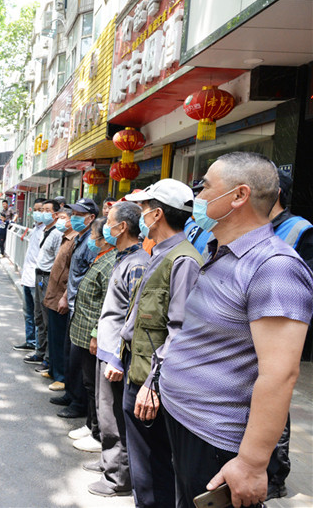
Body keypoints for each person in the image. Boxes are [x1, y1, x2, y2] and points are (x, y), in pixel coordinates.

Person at [160, 153, 313, 508]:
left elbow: (279, 375)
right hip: (185, 420)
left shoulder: (274, 267)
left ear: (239, 196)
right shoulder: (222, 252)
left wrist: (251, 462)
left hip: (215, 440)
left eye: (206, 187)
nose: (196, 197)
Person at [118, 178, 203, 508]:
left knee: (154, 471)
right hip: (137, 372)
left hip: (152, 382)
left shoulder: (183, 261)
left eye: (142, 209)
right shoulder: (160, 253)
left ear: (155, 215)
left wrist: (153, 382)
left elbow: (179, 331)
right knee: (144, 470)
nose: (140, 216)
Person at [86, 201, 148, 497]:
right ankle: (107, 463)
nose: (105, 226)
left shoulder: (137, 263)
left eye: (109, 221)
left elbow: (133, 316)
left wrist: (119, 359)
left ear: (123, 226)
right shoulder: (122, 257)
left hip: (117, 355)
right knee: (104, 412)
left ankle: (118, 478)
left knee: (114, 419)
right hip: (108, 349)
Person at [264, 168, 313, 500]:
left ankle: (275, 477)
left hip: (281, 329)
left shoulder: (301, 230)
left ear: (275, 192)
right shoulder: (259, 228)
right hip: (254, 327)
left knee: (275, 401)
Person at [67, 218, 116, 452]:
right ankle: (90, 424)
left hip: (92, 334)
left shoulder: (110, 263)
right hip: (84, 331)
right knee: (88, 384)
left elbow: (106, 303)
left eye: (95, 238)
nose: (92, 242)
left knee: (95, 387)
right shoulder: (101, 258)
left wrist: (96, 334)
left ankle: (98, 432)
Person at [53, 197, 99, 419]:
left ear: (91, 218)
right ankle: (70, 394)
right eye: (73, 214)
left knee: (79, 360)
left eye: (79, 215)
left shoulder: (91, 242)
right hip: (72, 304)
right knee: (69, 355)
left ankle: (78, 403)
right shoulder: (80, 239)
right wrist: (64, 296)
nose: (74, 218)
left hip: (83, 308)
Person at [41, 208, 76, 391]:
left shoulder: (74, 241)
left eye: (63, 218)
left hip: (61, 297)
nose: (59, 221)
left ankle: (62, 376)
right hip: (53, 294)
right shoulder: (64, 238)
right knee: (53, 335)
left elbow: (73, 273)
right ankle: (54, 369)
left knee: (61, 338)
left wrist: (64, 297)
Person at [28, 199, 61, 368]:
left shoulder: (57, 234)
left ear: (56, 214)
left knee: (47, 319)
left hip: (47, 278)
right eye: (43, 210)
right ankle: (39, 352)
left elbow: (57, 261)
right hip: (39, 276)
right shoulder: (44, 231)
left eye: (48, 210)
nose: (44, 213)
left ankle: (48, 358)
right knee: (38, 316)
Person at [13, 198, 47, 352]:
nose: (37, 213)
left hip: (37, 280)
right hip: (27, 277)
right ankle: (30, 340)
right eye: (35, 209)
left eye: (41, 210)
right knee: (28, 313)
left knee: (38, 315)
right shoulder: (35, 229)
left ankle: (39, 347)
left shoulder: (47, 232)